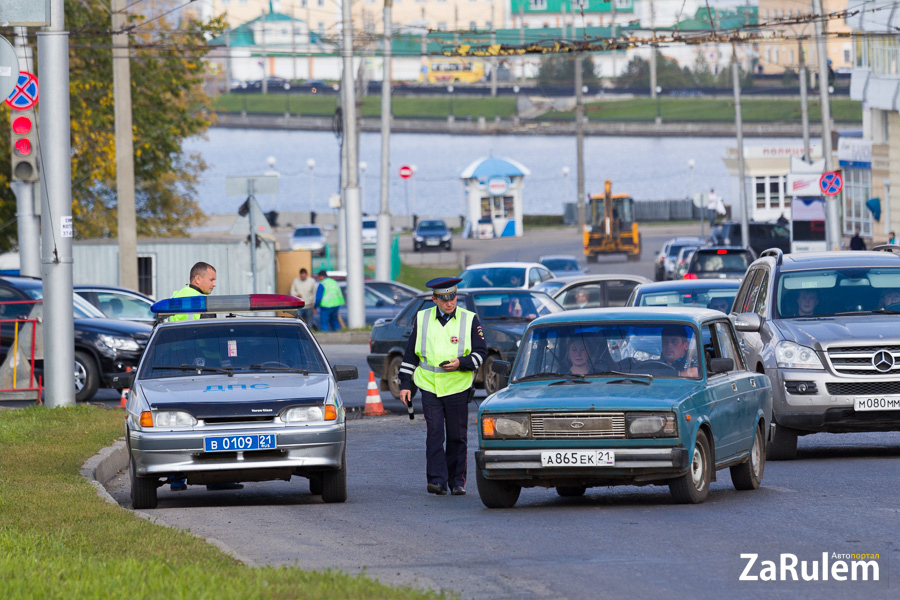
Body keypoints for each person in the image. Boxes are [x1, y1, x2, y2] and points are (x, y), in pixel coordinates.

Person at [398, 277, 487, 496]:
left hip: (457, 386)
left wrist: (462, 363)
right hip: (429, 385)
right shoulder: (422, 318)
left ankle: (457, 481)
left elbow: (481, 353)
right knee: (435, 434)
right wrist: (405, 384)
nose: (450, 302)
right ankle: (437, 481)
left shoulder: (469, 319)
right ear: (434, 299)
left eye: (453, 297)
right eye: (445, 299)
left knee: (457, 437)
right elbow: (411, 355)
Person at [168, 263, 242, 492]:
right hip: (203, 372)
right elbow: (210, 340)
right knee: (212, 423)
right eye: (211, 279)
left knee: (178, 425)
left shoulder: (176, 297)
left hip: (175, 371)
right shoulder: (202, 302)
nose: (214, 284)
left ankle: (176, 478)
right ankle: (215, 478)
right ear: (197, 279)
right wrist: (225, 361)